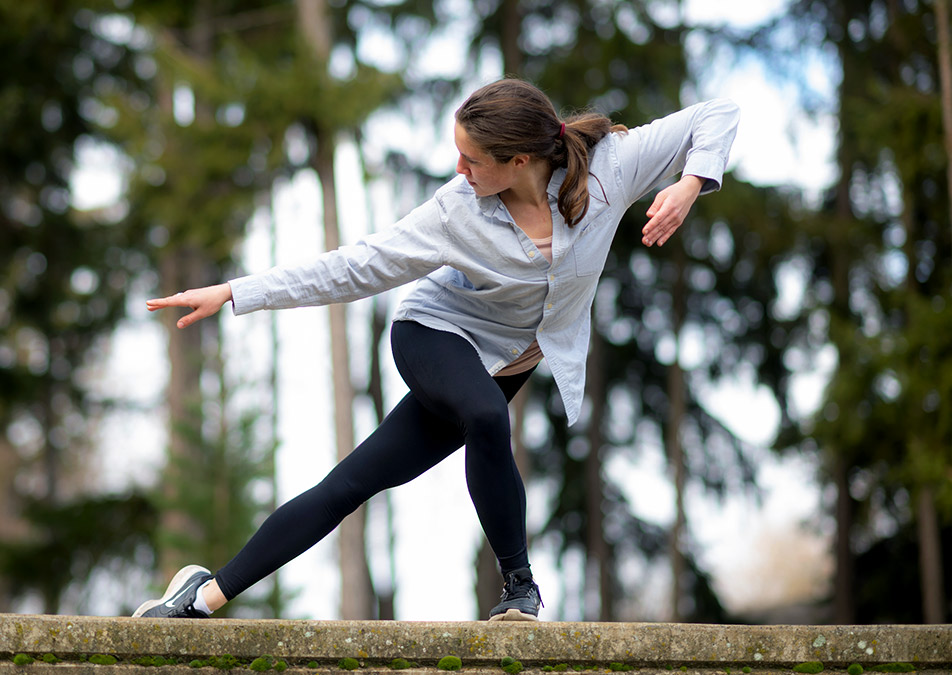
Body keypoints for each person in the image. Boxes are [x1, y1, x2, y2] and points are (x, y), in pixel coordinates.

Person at [134, 78, 740, 622]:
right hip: (433, 337)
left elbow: (717, 112)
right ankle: (520, 588)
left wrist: (690, 184)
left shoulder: (611, 167)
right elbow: (352, 267)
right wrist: (236, 291)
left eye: (473, 159)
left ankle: (200, 599)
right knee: (484, 413)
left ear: (520, 160)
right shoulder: (455, 212)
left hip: (503, 363)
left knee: (351, 484)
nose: (459, 168)